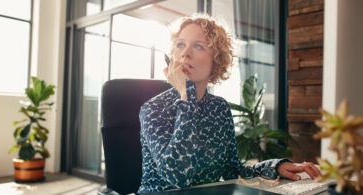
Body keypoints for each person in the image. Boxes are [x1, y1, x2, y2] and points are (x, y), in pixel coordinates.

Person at [137, 15, 320, 193]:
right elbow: (177, 177)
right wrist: (186, 96)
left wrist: (275, 166)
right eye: (180, 44)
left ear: (216, 61)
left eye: (198, 46)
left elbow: (232, 170)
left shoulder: (219, 108)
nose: (185, 53)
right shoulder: (153, 109)